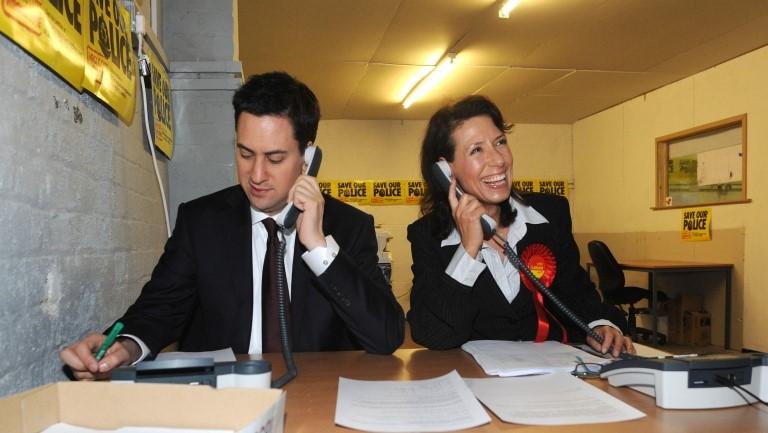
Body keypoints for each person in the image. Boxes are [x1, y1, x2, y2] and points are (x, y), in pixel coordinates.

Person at [61, 72, 405, 380]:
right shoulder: (201, 222)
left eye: (275, 158)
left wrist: (316, 245)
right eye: (245, 153)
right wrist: (125, 347)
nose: (256, 175)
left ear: (308, 158)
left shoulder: (349, 227)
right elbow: (159, 309)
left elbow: (386, 336)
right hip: (221, 402)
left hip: (315, 395)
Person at [407, 95, 633, 357]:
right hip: (477, 382)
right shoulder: (429, 235)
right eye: (476, 150)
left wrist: (601, 326)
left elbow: (579, 295)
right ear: (445, 170)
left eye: (500, 142)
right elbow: (433, 333)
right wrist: (468, 249)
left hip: (553, 379)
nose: (499, 160)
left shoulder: (549, 215)